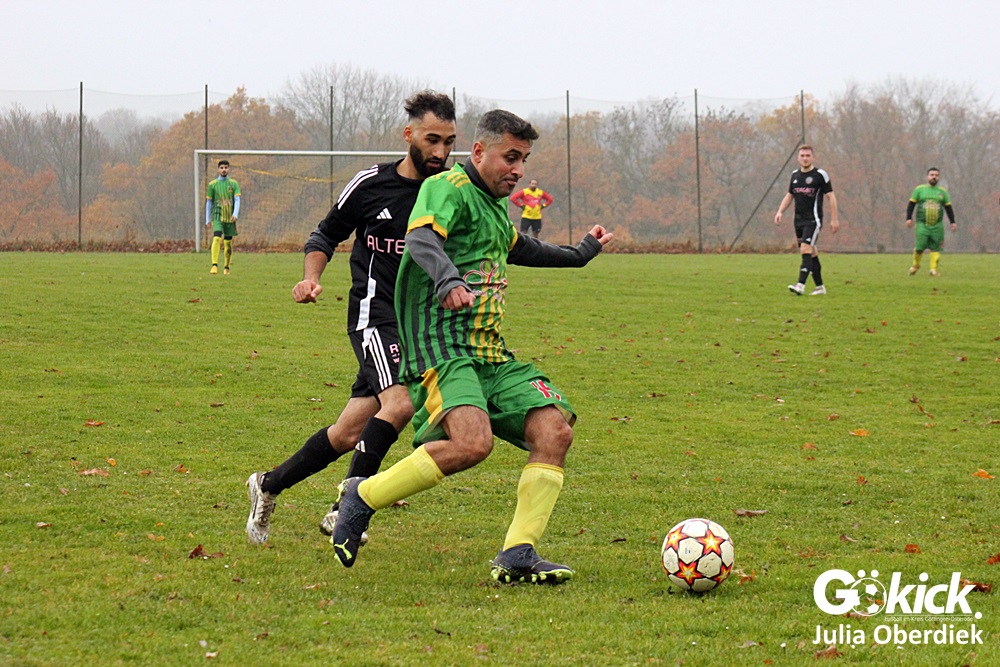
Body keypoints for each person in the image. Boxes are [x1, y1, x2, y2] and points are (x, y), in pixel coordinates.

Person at [331, 109, 614, 585]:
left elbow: (523, 249)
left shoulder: (494, 209)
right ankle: (363, 496)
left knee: (554, 433)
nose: (518, 170)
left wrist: (582, 253)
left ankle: (518, 554)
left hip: (490, 354)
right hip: (442, 348)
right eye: (510, 157)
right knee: (471, 443)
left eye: (523, 160)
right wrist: (447, 280)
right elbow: (421, 238)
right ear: (479, 151)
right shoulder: (447, 188)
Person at [245, 91, 458, 545]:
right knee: (399, 405)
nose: (440, 152)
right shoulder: (370, 184)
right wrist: (310, 279)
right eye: (432, 139)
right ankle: (347, 510)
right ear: (409, 134)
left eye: (449, 142)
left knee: (346, 433)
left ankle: (268, 484)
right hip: (373, 315)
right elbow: (325, 235)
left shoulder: (451, 192)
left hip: (418, 327)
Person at [773, 145, 839, 295]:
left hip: (813, 219)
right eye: (802, 156)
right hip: (798, 221)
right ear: (798, 158)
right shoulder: (795, 175)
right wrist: (780, 211)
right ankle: (820, 287)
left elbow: (831, 196)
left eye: (808, 155)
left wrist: (834, 219)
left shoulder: (820, 175)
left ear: (813, 157)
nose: (805, 158)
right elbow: (790, 195)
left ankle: (800, 285)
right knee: (811, 252)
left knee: (805, 248)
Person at [906, 167, 956, 276]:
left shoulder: (942, 192)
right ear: (927, 177)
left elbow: (948, 207)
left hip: (937, 225)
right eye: (932, 175)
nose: (934, 177)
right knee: (919, 247)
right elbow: (911, 204)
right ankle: (915, 265)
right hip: (922, 224)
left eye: (936, 175)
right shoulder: (919, 190)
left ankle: (933, 269)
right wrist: (908, 218)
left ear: (939, 177)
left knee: (935, 247)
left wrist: (952, 222)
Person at [205, 159, 241, 275]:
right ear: (218, 170)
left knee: (228, 243)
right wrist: (207, 219)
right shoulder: (212, 185)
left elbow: (237, 200)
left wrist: (235, 213)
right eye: (221, 168)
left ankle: (226, 267)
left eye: (226, 167)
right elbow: (209, 202)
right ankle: (214, 265)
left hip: (229, 217)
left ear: (229, 169)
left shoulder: (234, 184)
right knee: (216, 238)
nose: (224, 170)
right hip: (217, 216)